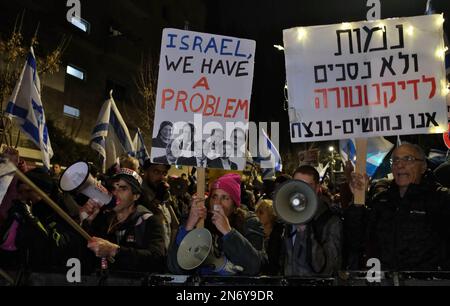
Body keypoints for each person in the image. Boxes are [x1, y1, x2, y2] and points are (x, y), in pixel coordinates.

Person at [345, 143, 450, 271]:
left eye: (408, 159)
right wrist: (358, 201)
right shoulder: (381, 201)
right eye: (395, 160)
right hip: (385, 280)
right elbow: (357, 240)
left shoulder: (441, 199)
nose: (400, 165)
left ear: (423, 166)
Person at [167, 173, 266, 276]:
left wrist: (228, 232)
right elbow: (174, 268)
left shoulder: (249, 222)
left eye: (225, 198)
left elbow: (255, 266)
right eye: (214, 197)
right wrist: (188, 227)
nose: (217, 203)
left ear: (234, 205)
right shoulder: (199, 219)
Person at [84, 168, 166, 272]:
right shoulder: (104, 219)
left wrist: (114, 250)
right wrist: (88, 222)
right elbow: (85, 255)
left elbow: (157, 258)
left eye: (123, 188)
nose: (115, 193)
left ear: (136, 196)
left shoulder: (150, 220)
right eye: (113, 188)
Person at [280, 165, 343, 276]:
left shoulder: (330, 221)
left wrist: (305, 231)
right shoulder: (287, 217)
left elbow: (328, 269)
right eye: (297, 185)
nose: (301, 191)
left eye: (307, 186)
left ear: (317, 188)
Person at [139, 160, 179, 250]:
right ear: (145, 172)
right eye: (156, 172)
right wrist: (157, 200)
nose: (161, 177)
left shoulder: (163, 195)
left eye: (164, 173)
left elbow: (175, 226)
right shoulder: (137, 196)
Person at [255, 198, 283, 275]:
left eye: (261, 212)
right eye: (256, 212)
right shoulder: (255, 232)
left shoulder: (279, 235)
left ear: (271, 214)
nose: (257, 215)